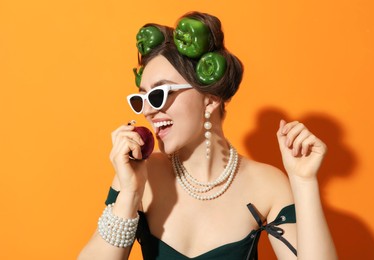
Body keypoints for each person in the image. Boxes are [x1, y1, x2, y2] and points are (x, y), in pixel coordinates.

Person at [78, 11, 337, 260]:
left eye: (159, 95)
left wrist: (304, 182)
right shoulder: (140, 175)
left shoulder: (267, 185)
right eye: (141, 98)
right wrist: (130, 194)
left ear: (210, 99)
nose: (148, 110)